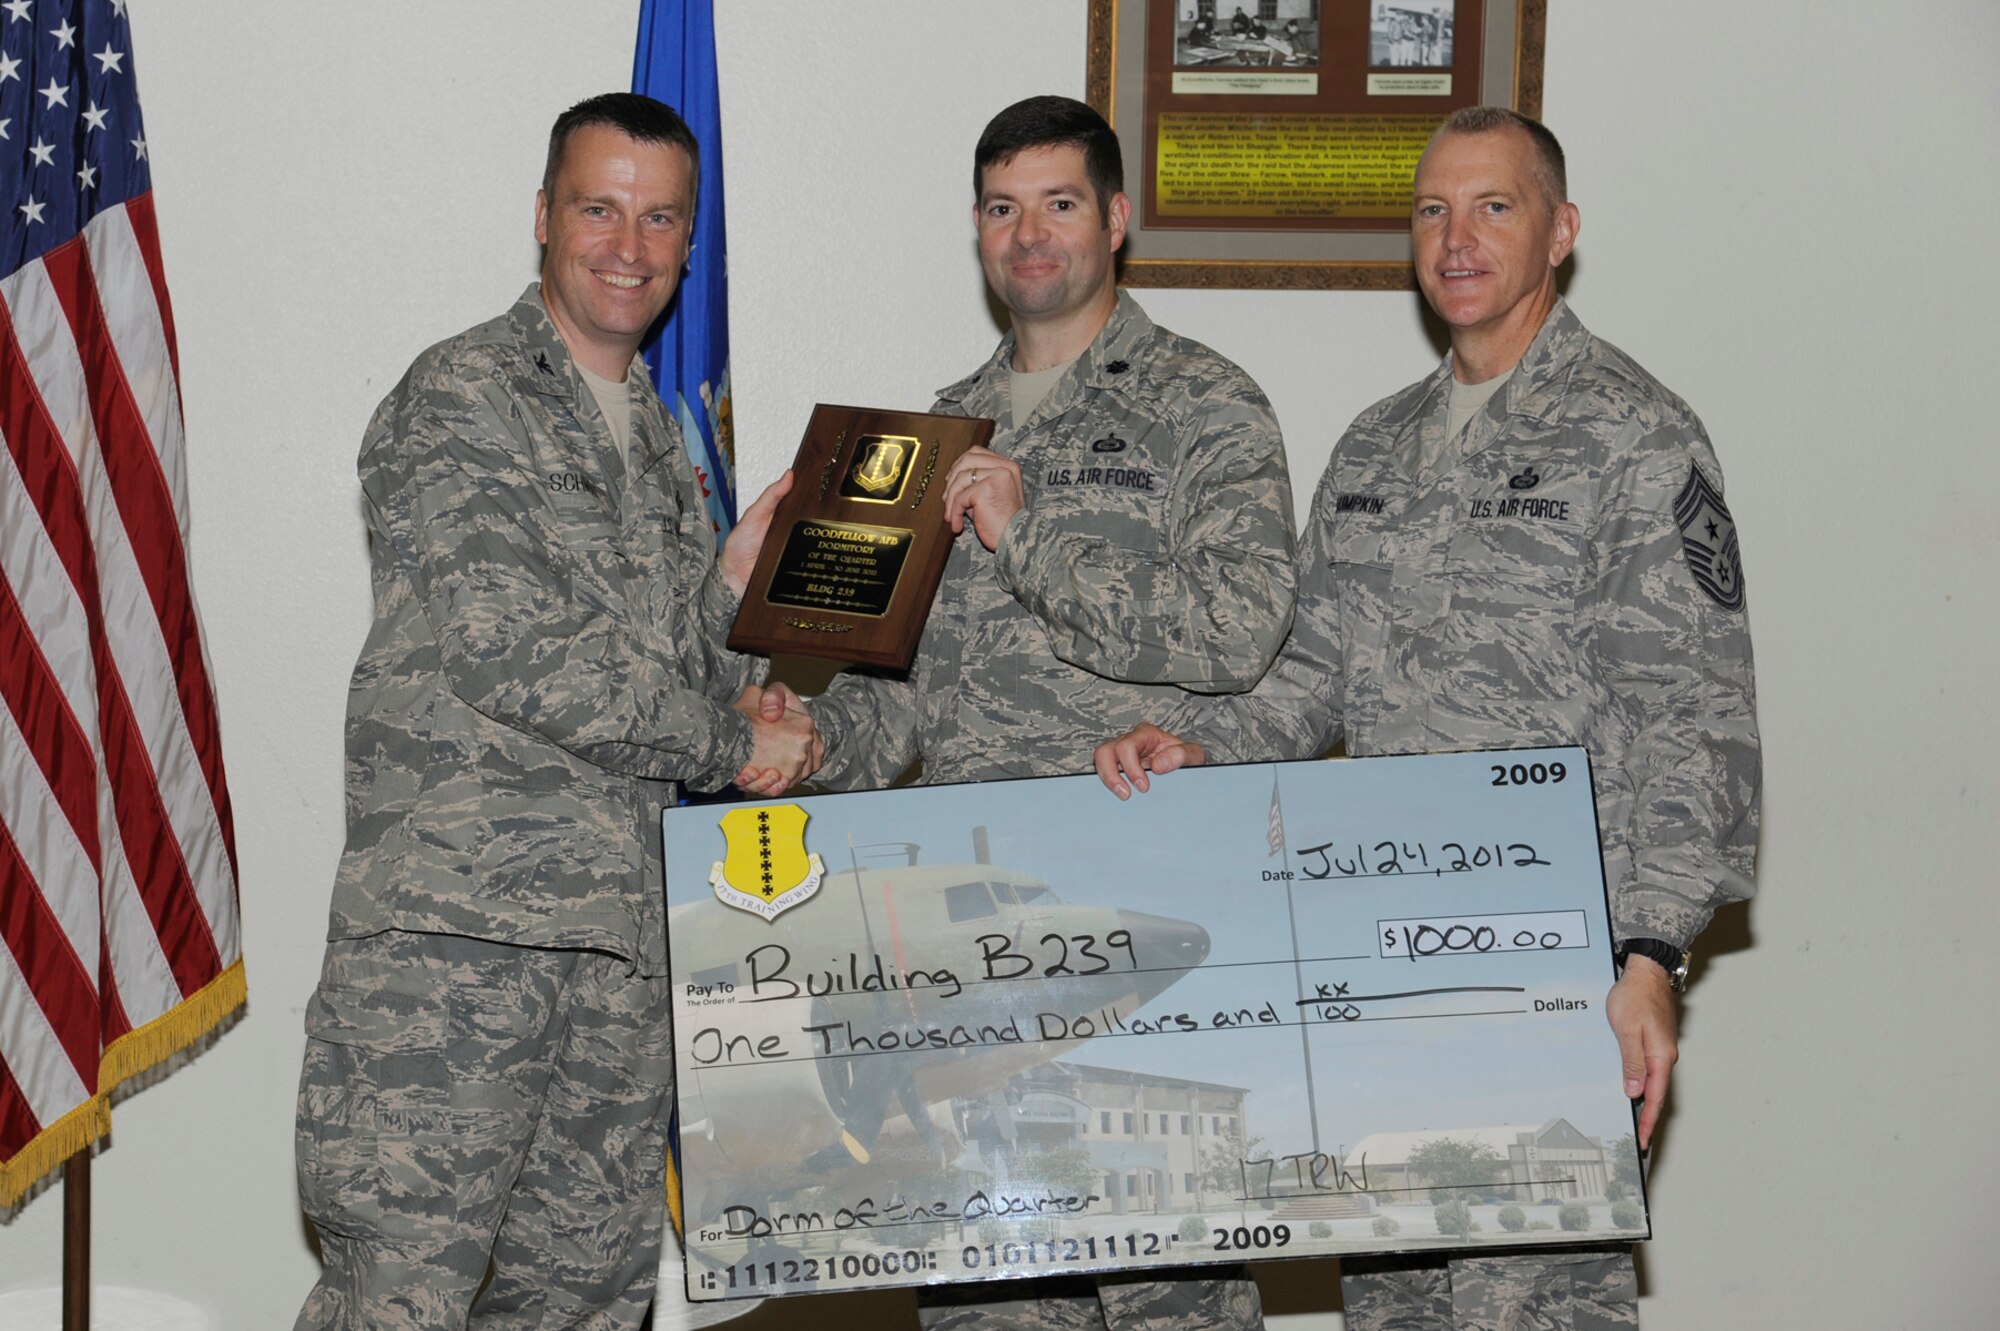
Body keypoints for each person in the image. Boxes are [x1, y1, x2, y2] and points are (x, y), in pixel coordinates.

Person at [1096, 106, 1760, 1330]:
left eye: (1492, 206)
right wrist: (1203, 744)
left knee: (1529, 1299)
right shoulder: (1371, 447)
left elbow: (1694, 715)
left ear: (1558, 232)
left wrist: (1650, 954)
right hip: (1382, 966)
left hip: (1552, 974)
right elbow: (1307, 674)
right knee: (1394, 1301)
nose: (1455, 238)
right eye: (1430, 210)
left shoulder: (1633, 433)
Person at [748, 95, 1295, 1331]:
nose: (1027, 235)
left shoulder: (1204, 403)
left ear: (1115, 218)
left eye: (1057, 203)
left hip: (1132, 901)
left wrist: (1030, 531)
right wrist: (809, 738)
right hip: (969, 972)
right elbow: (902, 704)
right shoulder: (932, 432)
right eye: (1001, 208)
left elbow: (1243, 631)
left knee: (1173, 1290)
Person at [293, 92, 817, 1330]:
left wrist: (727, 585)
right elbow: (518, 653)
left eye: (660, 218)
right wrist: (736, 739)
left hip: (617, 954)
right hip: (455, 952)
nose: (627, 245)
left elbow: (647, 666)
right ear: (542, 217)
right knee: (401, 1300)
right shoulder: (463, 395)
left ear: (689, 243)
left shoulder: (657, 434)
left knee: (580, 1302)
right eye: (597, 207)